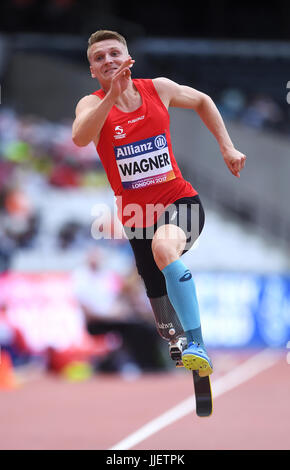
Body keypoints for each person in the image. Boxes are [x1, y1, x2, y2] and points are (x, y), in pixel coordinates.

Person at [72, 30, 246, 377]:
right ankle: (181, 339)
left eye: (114, 53)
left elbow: (203, 101)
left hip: (181, 201)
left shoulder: (158, 88)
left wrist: (227, 147)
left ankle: (197, 342)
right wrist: (112, 95)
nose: (108, 61)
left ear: (128, 58)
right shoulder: (91, 104)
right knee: (166, 329)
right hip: (138, 218)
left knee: (164, 248)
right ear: (93, 70)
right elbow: (80, 137)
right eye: (99, 58)